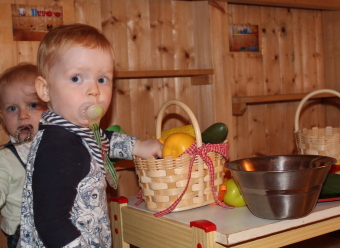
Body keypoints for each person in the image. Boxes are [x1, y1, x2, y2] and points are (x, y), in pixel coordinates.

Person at [18, 23, 163, 248]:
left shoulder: (75, 131)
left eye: (102, 79)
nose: (94, 90)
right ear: (45, 89)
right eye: (77, 78)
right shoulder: (57, 146)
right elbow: (51, 223)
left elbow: (105, 139)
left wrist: (138, 146)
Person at [0, 63, 47, 248]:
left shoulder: (58, 147)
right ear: (2, 118)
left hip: (59, 233)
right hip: (23, 239)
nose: (23, 116)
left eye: (33, 105)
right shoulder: (5, 159)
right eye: (12, 108)